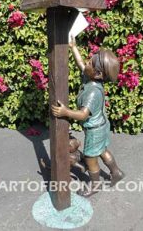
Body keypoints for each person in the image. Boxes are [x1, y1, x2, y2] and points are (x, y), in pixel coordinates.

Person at [51, 36, 124, 197]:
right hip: (102, 125)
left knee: (91, 157)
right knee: (103, 150)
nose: (87, 64)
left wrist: (65, 112)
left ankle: (95, 185)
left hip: (95, 130)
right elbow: (81, 65)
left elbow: (83, 115)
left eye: (90, 63)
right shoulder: (91, 77)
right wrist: (73, 48)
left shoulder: (92, 92)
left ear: (98, 74)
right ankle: (116, 172)